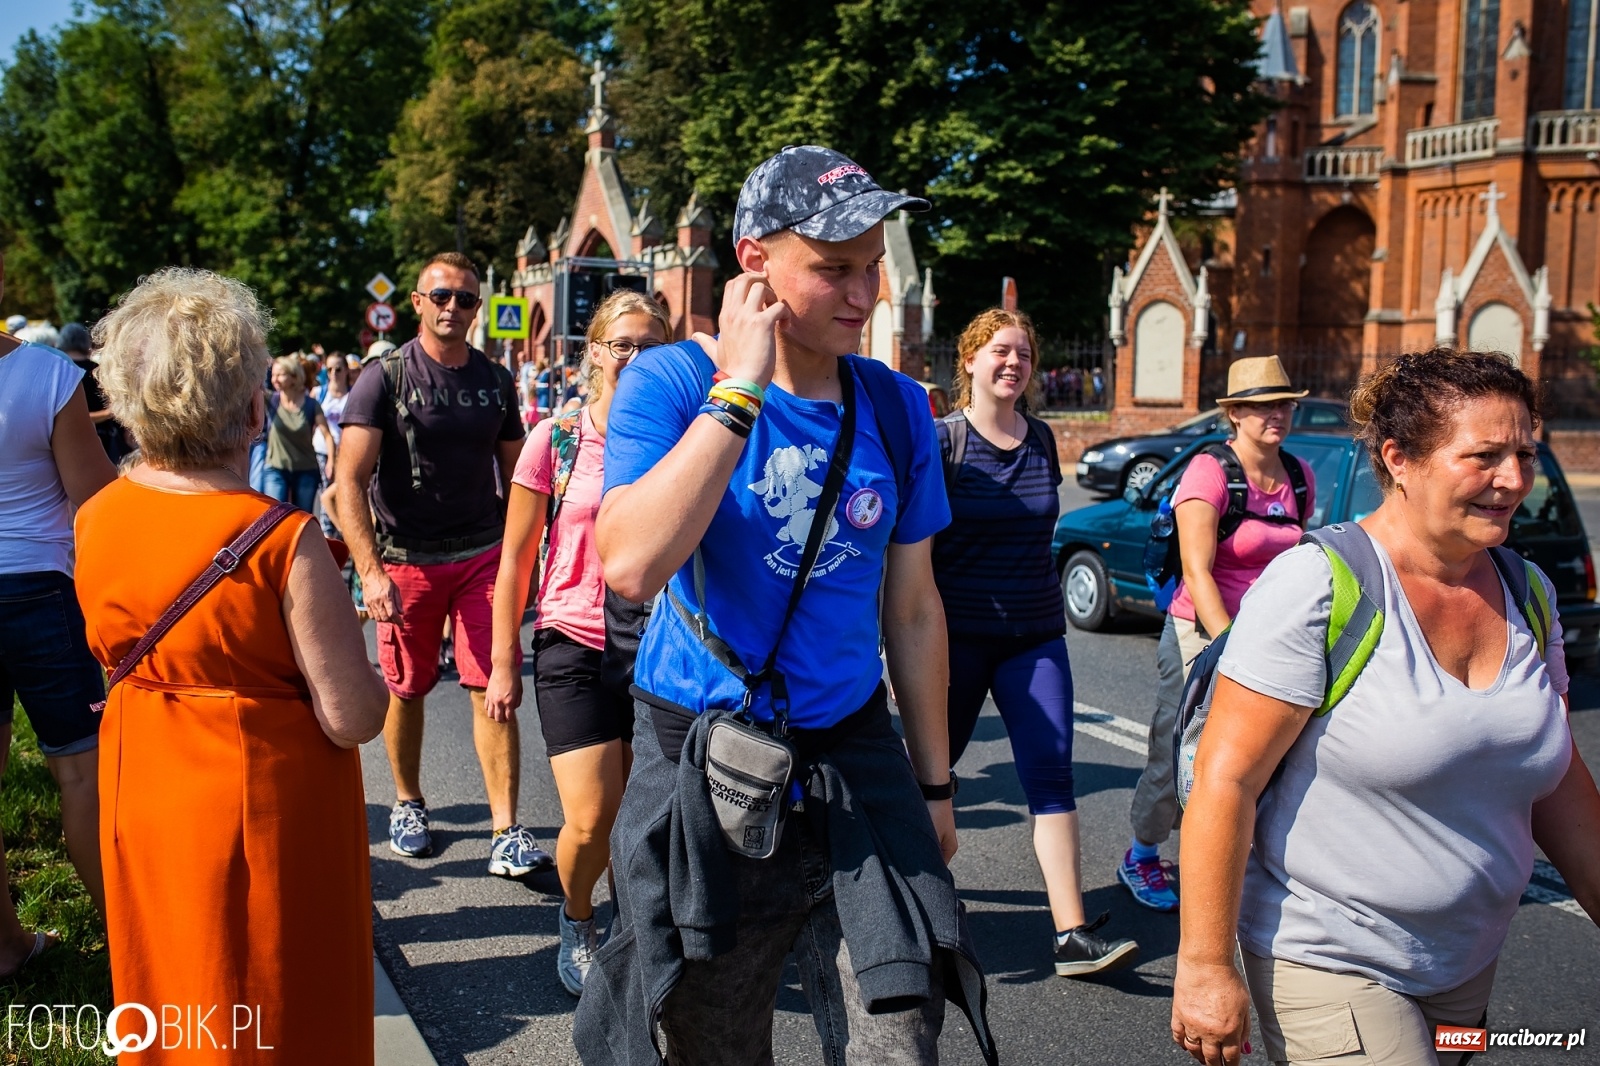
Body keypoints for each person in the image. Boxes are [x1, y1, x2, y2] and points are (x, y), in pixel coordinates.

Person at [575, 145, 994, 1066]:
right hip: (703, 754)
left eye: (873, 266)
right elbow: (631, 564)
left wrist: (934, 785)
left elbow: (913, 610)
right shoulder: (671, 383)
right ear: (753, 262)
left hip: (853, 752)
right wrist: (739, 391)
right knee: (712, 1038)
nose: (864, 293)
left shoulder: (898, 407)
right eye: (834, 269)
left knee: (902, 1028)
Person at [1172, 348, 1600, 1066]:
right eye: (1484, 456)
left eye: (1525, 454)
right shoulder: (1316, 585)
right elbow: (1227, 779)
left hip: (1466, 967)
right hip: (1330, 958)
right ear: (1400, 459)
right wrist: (1204, 964)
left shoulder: (1529, 591)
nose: (1514, 479)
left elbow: (1556, 780)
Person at [75, 267, 388, 1062]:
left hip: (143, 782)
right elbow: (352, 716)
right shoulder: (284, 540)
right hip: (263, 809)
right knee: (273, 1005)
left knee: (172, 985)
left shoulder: (96, 516)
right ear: (252, 408)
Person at [934, 307, 1139, 978]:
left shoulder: (1043, 438)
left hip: (1036, 638)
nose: (1013, 362)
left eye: (1023, 353)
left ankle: (1070, 934)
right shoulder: (944, 442)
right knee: (930, 776)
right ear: (970, 360)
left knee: (1052, 777)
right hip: (958, 639)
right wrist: (904, 643)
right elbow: (913, 552)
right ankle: (914, 913)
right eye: (1000, 350)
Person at [337, 252, 554, 876]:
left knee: (495, 686)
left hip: (483, 555)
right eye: (441, 296)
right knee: (407, 688)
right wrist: (370, 571)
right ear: (417, 301)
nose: (452, 307)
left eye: (464, 299)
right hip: (407, 558)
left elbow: (521, 479)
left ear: (478, 308)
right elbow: (348, 480)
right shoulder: (385, 377)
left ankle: (506, 829)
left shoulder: (495, 380)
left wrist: (526, 561)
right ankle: (408, 802)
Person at [486, 290, 669, 994]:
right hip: (573, 637)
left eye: (650, 346)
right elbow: (514, 559)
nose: (635, 357)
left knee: (646, 819)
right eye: (622, 344)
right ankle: (578, 916)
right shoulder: (557, 439)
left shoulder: (684, 436)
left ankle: (636, 929)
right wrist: (503, 661)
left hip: (657, 644)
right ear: (594, 351)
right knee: (593, 819)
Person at [1119, 355, 1314, 913]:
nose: (1276, 414)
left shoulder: (1299, 474)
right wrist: (1230, 645)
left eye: (1283, 404)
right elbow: (1197, 570)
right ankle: (1142, 853)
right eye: (1262, 406)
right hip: (1203, 632)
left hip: (1272, 636)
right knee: (1179, 747)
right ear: (1234, 414)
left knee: (1259, 755)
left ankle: (1228, 856)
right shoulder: (1210, 472)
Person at [0, 256, 116, 977]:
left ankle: (5, 946)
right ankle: (134, 946)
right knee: (80, 774)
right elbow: (95, 504)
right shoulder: (46, 375)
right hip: (39, 589)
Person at [263, 355, 336, 513]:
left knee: (302, 518)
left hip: (305, 469)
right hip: (276, 468)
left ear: (294, 377)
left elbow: (327, 435)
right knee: (273, 516)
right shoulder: (271, 400)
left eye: (280, 375)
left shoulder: (311, 405)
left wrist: (331, 461)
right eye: (273, 374)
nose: (274, 379)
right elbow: (251, 386)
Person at [59, 321, 127, 462]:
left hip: (66, 441)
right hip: (103, 439)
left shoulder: (58, 371)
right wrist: (107, 414)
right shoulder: (100, 371)